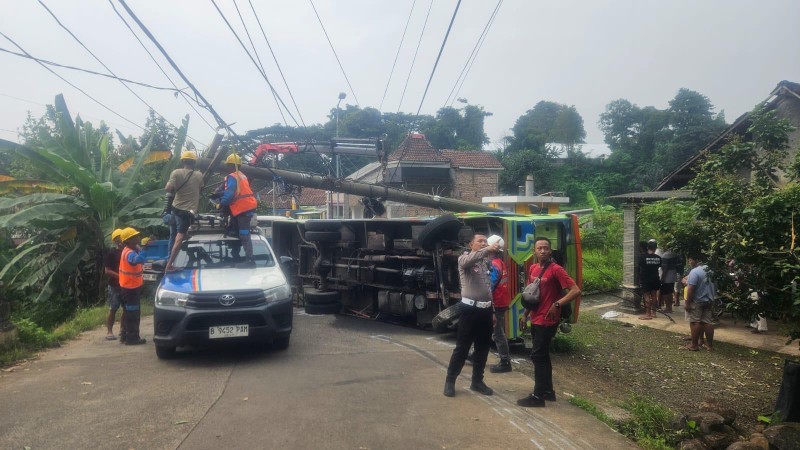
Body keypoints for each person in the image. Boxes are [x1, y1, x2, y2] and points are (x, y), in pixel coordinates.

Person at [517, 237, 580, 407]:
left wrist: (557, 303)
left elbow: (575, 290)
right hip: (535, 317)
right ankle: (548, 392)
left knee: (537, 355)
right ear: (534, 252)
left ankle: (538, 396)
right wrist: (525, 314)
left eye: (546, 248)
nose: (543, 250)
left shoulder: (556, 269)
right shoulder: (533, 268)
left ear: (550, 251)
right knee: (542, 356)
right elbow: (532, 294)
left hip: (548, 320)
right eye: (540, 248)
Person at [443, 234, 500, 398]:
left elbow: (488, 289)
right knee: (462, 348)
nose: (483, 243)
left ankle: (477, 381)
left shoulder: (485, 263)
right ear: (471, 244)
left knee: (482, 348)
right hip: (469, 310)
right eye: (480, 241)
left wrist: (493, 311)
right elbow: (469, 260)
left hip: (486, 311)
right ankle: (450, 381)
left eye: (485, 241)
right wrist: (488, 248)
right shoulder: (464, 259)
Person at [164, 150, 203, 272]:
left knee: (173, 235)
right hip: (187, 212)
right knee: (179, 237)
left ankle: (170, 256)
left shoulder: (176, 172)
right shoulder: (198, 175)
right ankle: (169, 265)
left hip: (175, 209)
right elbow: (201, 188)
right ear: (194, 162)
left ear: (183, 161)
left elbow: (168, 188)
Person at [219, 154, 258, 267]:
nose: (227, 168)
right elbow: (233, 191)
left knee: (244, 234)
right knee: (236, 231)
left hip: (243, 208)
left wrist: (221, 204)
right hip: (247, 206)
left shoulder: (232, 176)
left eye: (228, 166)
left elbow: (230, 194)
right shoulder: (242, 175)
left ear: (231, 165)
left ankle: (250, 260)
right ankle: (235, 254)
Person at [487, 235, 512, 373]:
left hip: (496, 303)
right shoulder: (499, 262)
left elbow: (489, 287)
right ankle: (475, 353)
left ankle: (505, 361)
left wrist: (491, 308)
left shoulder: (494, 265)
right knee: (485, 329)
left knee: (497, 333)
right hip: (501, 301)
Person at [118, 227, 148, 345]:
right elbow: (138, 260)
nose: (138, 237)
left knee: (129, 312)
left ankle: (125, 335)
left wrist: (140, 247)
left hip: (127, 287)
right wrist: (145, 249)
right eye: (135, 237)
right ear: (128, 240)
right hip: (131, 289)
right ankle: (132, 338)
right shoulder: (129, 253)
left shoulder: (128, 249)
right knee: (133, 313)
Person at [683, 252, 715, 351]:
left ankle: (694, 345)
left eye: (690, 260)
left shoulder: (695, 272)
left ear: (695, 260)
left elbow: (691, 288)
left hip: (697, 301)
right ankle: (709, 345)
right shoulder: (710, 270)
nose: (689, 262)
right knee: (707, 322)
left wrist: (688, 303)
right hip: (709, 300)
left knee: (695, 322)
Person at [103, 229, 125, 341]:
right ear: (116, 240)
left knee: (126, 308)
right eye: (121, 238)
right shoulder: (111, 253)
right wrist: (120, 277)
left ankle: (122, 329)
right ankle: (109, 331)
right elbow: (107, 271)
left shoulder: (128, 252)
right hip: (114, 286)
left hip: (125, 286)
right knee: (113, 308)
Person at [638, 240, 661, 320]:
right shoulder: (658, 258)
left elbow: (639, 266)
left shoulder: (642, 257)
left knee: (646, 296)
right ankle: (654, 313)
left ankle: (648, 314)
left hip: (645, 279)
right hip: (655, 278)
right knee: (654, 295)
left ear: (647, 247)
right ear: (655, 248)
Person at [659, 246, 679, 313]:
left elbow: (665, 268)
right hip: (673, 276)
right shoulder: (674, 254)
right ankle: (669, 307)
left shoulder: (666, 255)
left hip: (667, 277)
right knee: (670, 292)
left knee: (665, 293)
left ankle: (668, 308)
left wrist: (662, 278)